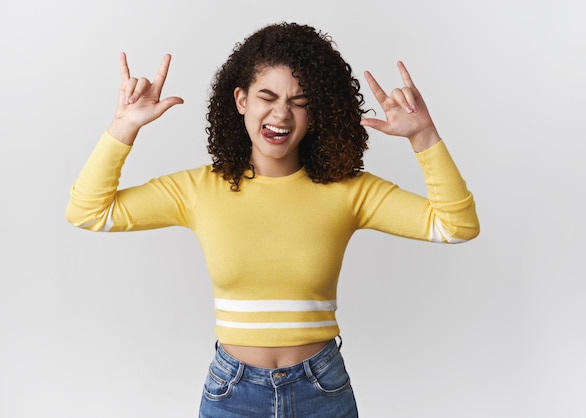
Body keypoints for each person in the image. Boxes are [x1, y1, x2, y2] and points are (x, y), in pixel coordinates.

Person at [66, 22, 479, 418]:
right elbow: (88, 211)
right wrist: (124, 126)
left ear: (315, 113)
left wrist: (424, 137)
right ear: (241, 100)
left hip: (323, 390)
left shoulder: (349, 191)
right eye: (267, 96)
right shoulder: (198, 190)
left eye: (299, 103)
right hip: (232, 392)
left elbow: (456, 225)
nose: (282, 114)